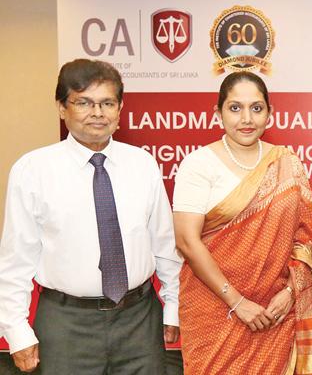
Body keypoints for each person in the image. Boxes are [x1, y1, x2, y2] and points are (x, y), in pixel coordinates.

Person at [0, 58, 181, 374]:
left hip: (139, 319)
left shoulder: (143, 165)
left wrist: (174, 308)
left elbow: (165, 246)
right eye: (83, 102)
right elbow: (16, 260)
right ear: (61, 107)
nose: (97, 113)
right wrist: (16, 330)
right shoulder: (33, 170)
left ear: (120, 110)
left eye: (107, 103)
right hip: (67, 324)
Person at [173, 71, 312, 375]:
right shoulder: (198, 165)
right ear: (218, 113)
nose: (246, 118)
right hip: (215, 310)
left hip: (275, 313)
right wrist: (237, 302)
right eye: (235, 108)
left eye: (256, 108)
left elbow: (307, 237)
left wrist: (290, 292)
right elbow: (186, 241)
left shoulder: (287, 163)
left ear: (270, 114)